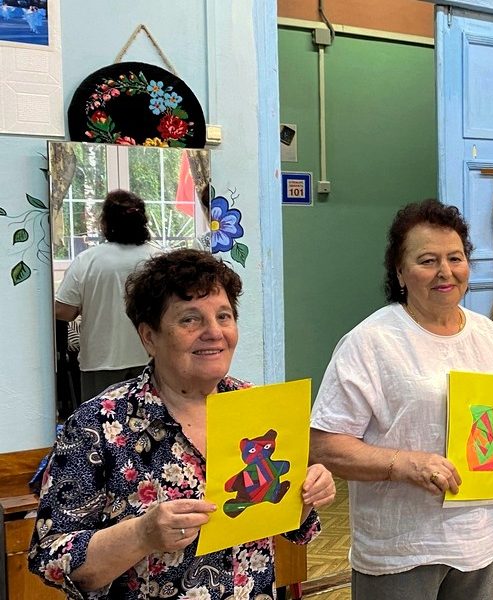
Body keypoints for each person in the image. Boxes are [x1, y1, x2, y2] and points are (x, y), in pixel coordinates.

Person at [29, 248, 337, 599]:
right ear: (149, 337)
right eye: (190, 319)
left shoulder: (257, 407)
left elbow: (285, 522)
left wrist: (307, 496)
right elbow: (52, 557)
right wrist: (142, 534)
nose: (214, 332)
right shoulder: (98, 424)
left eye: (224, 316)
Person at [310, 199, 493, 600]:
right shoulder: (371, 341)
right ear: (400, 271)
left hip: (479, 542)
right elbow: (324, 445)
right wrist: (405, 464)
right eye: (427, 260)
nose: (445, 271)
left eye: (455, 258)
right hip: (402, 549)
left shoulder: (487, 334)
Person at [54, 190, 159, 402]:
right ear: (143, 221)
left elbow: (63, 311)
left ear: (105, 223)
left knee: (99, 420)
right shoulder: (159, 258)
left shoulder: (87, 261)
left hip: (100, 361)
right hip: (151, 358)